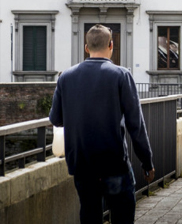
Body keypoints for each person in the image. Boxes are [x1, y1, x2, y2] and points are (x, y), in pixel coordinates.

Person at [49, 24, 154, 224]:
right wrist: (147, 162)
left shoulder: (66, 77)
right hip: (113, 163)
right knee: (122, 215)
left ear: (86, 47)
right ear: (111, 45)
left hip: (82, 164)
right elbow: (136, 125)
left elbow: (56, 119)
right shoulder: (121, 75)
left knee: (89, 214)